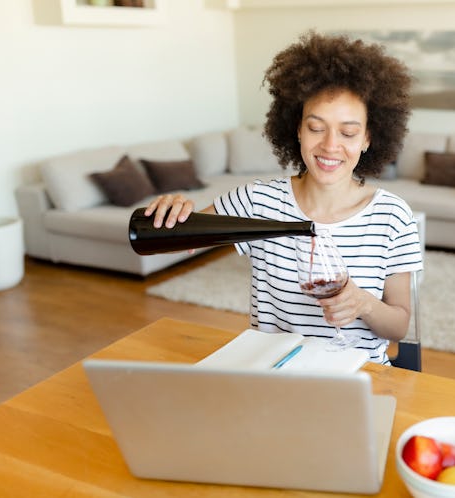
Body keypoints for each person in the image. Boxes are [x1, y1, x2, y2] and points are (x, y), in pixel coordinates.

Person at [145, 31, 423, 364]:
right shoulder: (257, 202)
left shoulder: (393, 217)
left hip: (361, 379)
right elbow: (176, 238)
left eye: (348, 132)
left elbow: (400, 325)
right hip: (274, 378)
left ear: (367, 138)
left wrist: (363, 303)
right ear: (296, 129)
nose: (331, 145)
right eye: (316, 127)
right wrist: (171, 213)